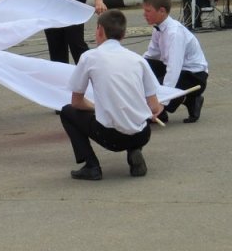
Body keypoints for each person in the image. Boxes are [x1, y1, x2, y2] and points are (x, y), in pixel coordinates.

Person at [60, 10, 164, 180]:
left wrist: (96, 107)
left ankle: (91, 165)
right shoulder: (138, 59)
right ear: (123, 34)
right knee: (132, 117)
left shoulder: (89, 57)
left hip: (112, 138)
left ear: (99, 30)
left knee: (67, 112)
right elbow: (154, 106)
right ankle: (134, 151)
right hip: (142, 134)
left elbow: (76, 102)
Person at [142, 0, 208, 123]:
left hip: (194, 76)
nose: (144, 14)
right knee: (142, 69)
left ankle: (181, 103)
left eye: (148, 11)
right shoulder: (159, 28)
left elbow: (173, 69)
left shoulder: (174, 33)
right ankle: (185, 101)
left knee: (153, 89)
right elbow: (150, 56)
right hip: (177, 70)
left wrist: (162, 101)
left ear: (161, 11)